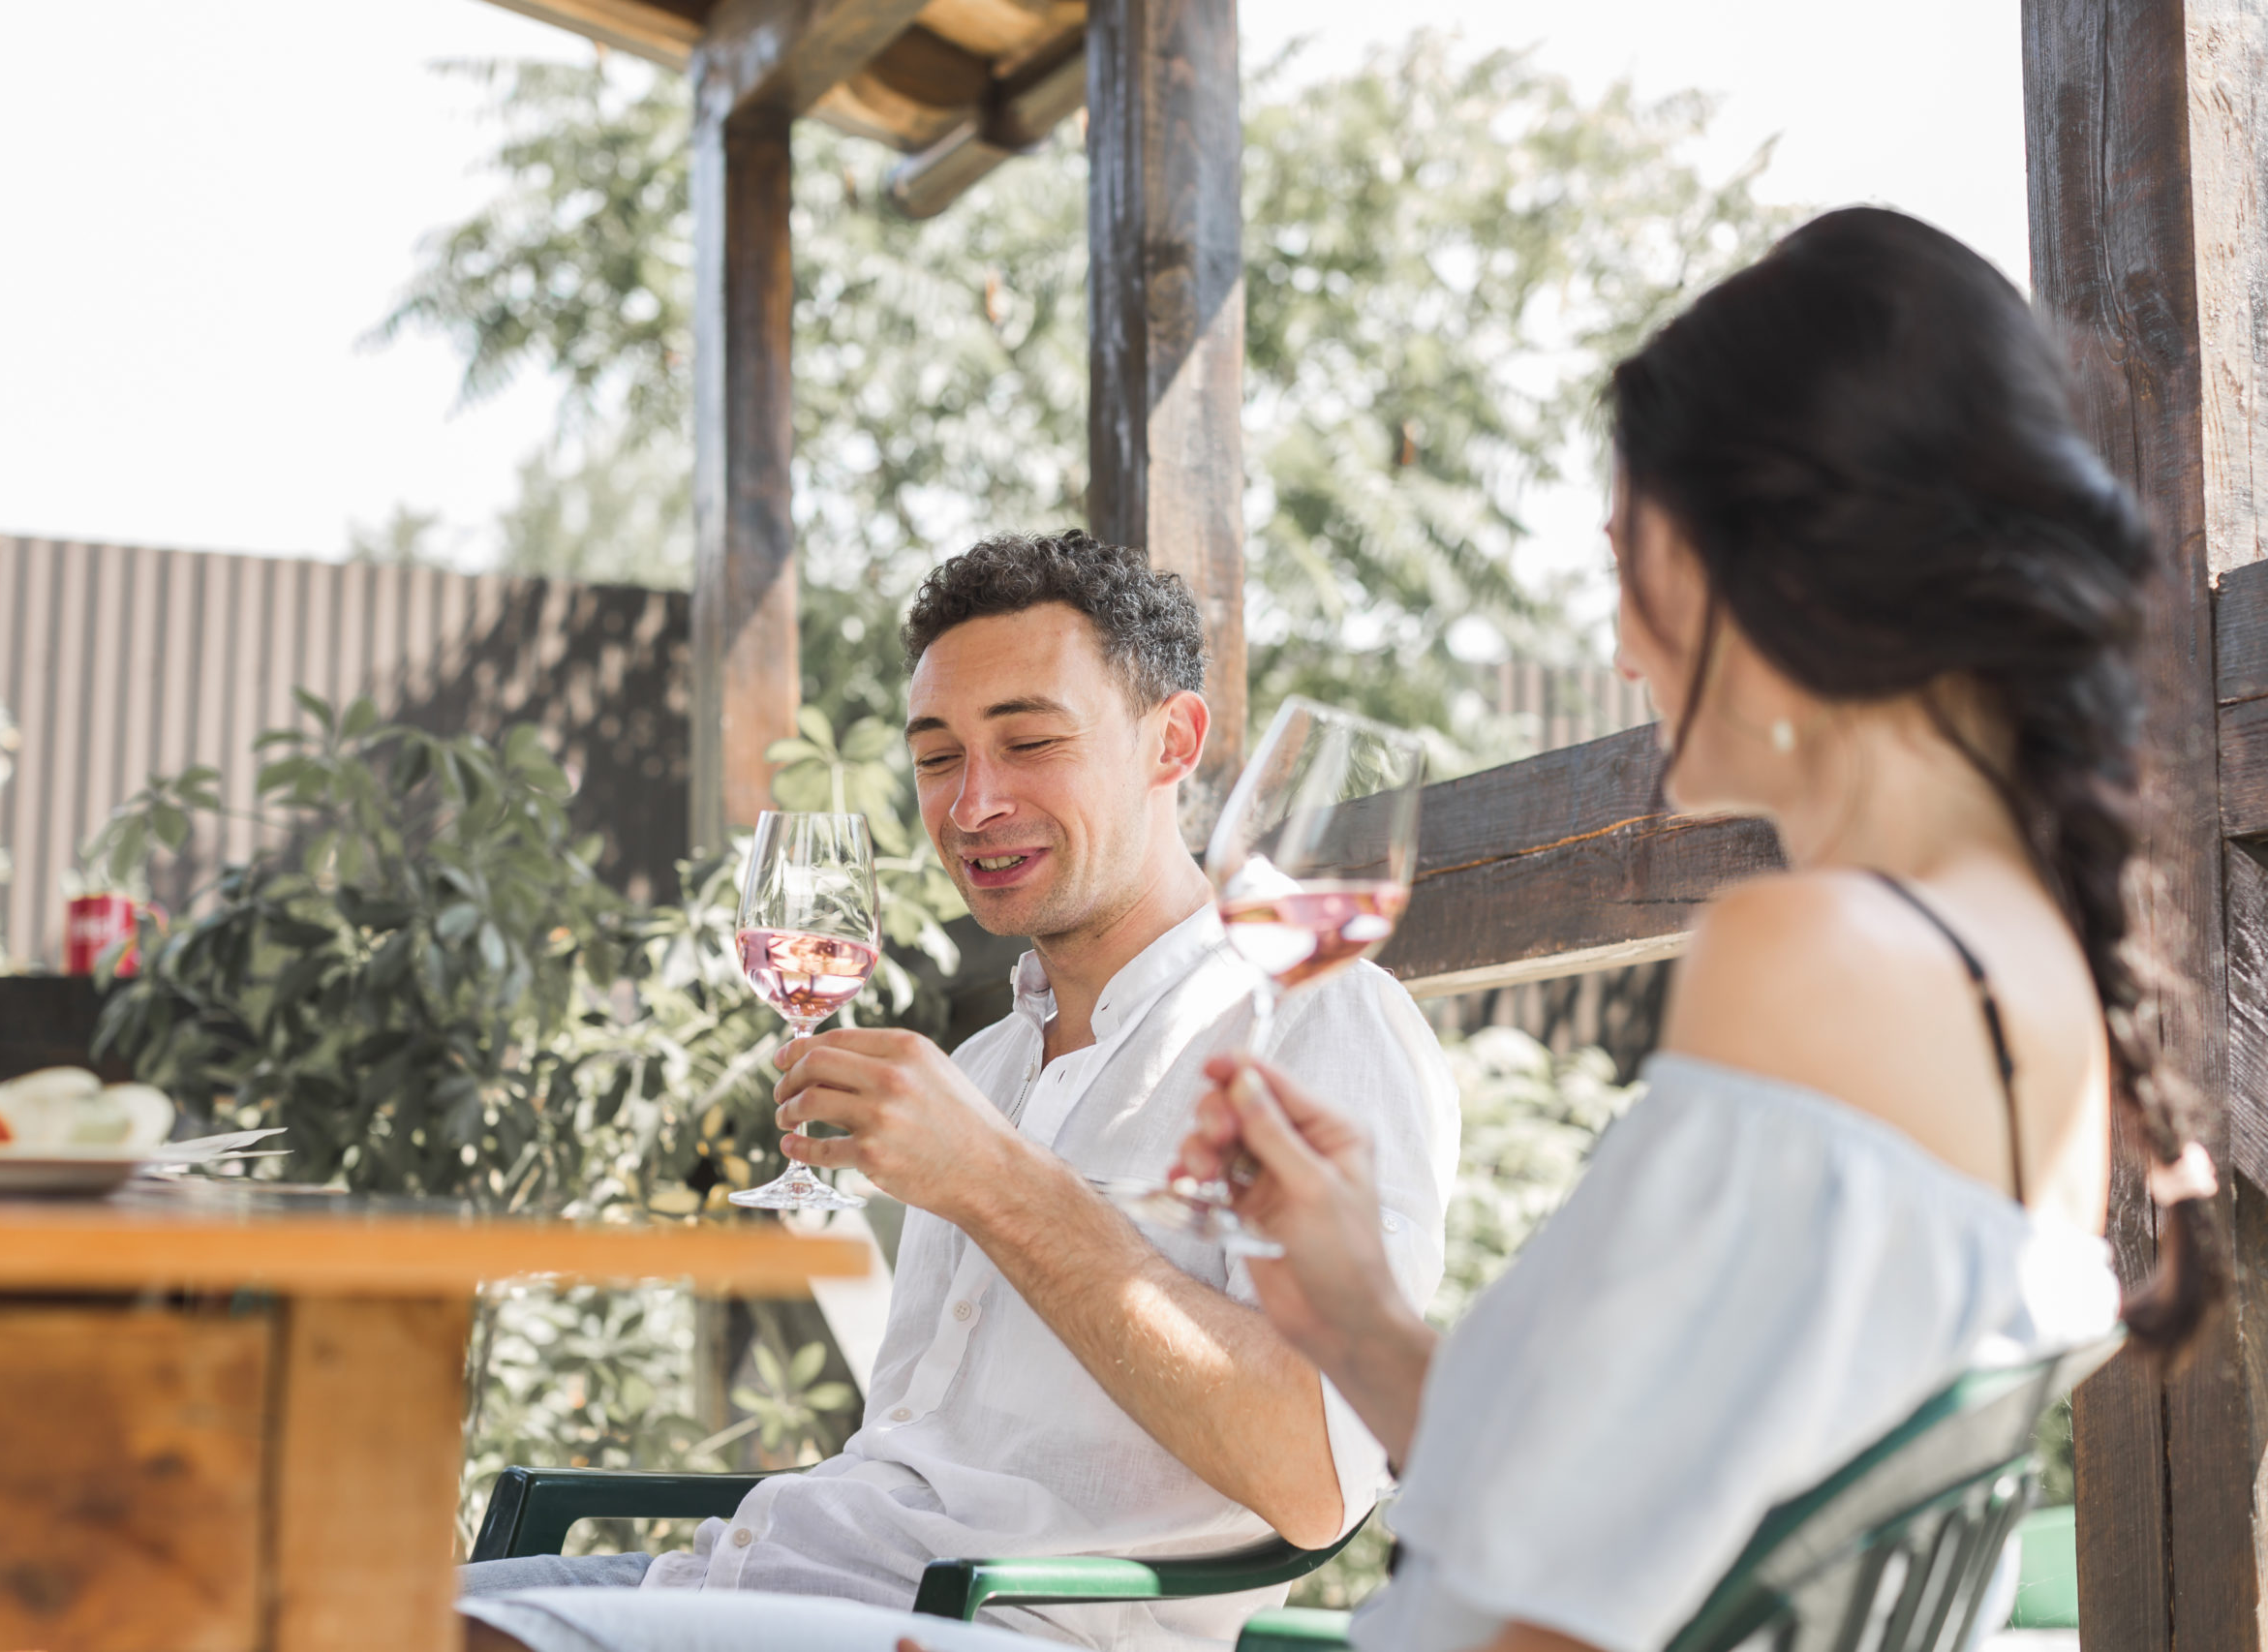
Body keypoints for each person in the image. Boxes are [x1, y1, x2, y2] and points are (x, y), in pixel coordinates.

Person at [1166, 205, 2225, 1651]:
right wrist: (1350, 1311)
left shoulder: (1814, 956)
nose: (1614, 640)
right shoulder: (2017, 979)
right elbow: (1623, 1523)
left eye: (1627, 560)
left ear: (1782, 554)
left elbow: (1563, 1624)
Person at [461, 532, 1456, 1652]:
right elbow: (915, 1453)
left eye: (1029, 740)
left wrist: (991, 1177)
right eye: (937, 757)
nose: (973, 803)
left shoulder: (1324, 1021)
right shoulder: (987, 1061)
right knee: (309, 1598)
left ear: (1170, 740)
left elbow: (1317, 1479)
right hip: (770, 1574)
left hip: (993, 1626)